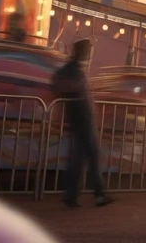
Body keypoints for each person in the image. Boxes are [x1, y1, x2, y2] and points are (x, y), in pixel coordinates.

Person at [52, 39, 111, 207]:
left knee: (80, 158)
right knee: (91, 155)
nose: (90, 55)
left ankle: (74, 196)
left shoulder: (74, 69)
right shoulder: (72, 70)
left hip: (81, 118)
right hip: (81, 118)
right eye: (88, 52)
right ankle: (98, 195)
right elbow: (58, 84)